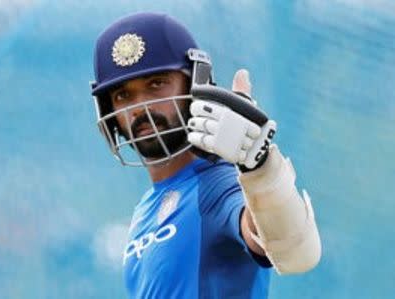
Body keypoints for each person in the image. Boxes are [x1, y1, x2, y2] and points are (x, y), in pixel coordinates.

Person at [90, 12, 321, 299]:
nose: (140, 107)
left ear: (193, 87)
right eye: (123, 95)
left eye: (156, 84)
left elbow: (293, 251)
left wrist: (259, 171)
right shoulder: (146, 207)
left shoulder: (218, 183)